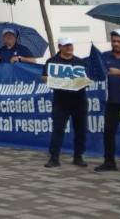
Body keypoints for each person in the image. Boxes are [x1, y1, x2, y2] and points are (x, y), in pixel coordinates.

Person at [43, 36, 88, 168]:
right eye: (66, 45)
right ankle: (54, 158)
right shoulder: (52, 61)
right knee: (58, 129)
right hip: (61, 101)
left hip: (79, 101)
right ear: (60, 47)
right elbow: (44, 77)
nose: (69, 47)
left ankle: (78, 157)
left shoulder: (80, 62)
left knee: (81, 130)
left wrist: (84, 81)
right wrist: (57, 81)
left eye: (70, 45)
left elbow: (88, 78)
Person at [96, 29, 120, 172]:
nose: (116, 44)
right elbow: (95, 72)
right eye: (114, 41)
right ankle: (109, 162)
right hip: (112, 101)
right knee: (108, 131)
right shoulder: (104, 56)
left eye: (119, 41)